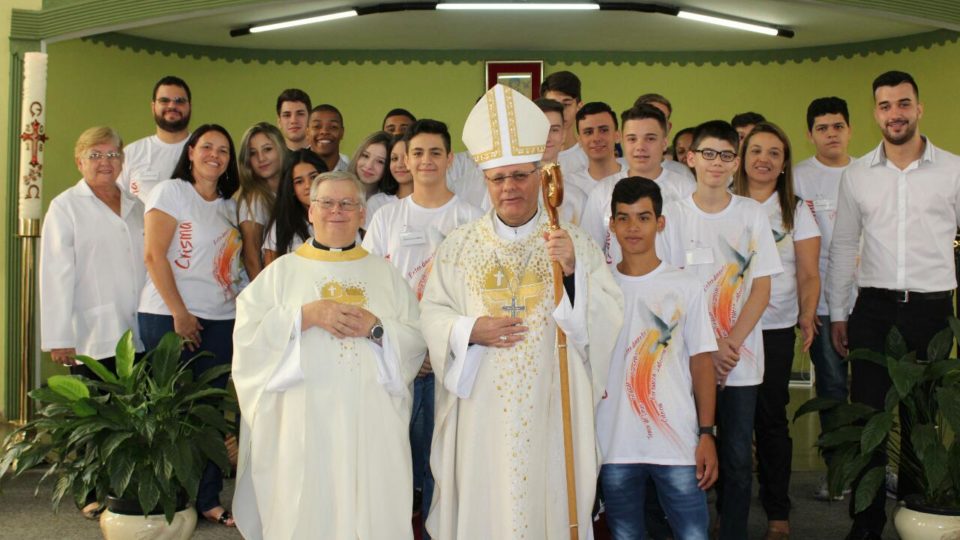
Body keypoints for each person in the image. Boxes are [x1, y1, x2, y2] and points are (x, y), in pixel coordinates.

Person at [421, 84, 623, 539]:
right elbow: (431, 315)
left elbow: (607, 316)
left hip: (550, 401)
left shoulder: (572, 241)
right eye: (499, 178)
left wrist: (572, 273)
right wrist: (470, 329)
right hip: (481, 411)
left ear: (542, 175)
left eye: (520, 175)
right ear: (485, 181)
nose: (509, 187)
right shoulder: (460, 246)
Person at [233, 172, 427, 540]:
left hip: (369, 422)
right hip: (301, 420)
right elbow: (248, 339)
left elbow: (417, 337)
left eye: (347, 204)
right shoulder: (281, 273)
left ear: (361, 214)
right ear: (311, 211)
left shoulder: (385, 274)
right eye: (327, 203)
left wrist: (377, 327)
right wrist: (302, 317)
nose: (336, 211)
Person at [827, 71, 960, 540]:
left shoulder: (954, 170)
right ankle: (865, 526)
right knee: (869, 420)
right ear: (875, 113)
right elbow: (844, 246)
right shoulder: (857, 174)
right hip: (874, 311)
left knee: (922, 422)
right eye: (885, 106)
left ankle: (918, 518)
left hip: (932, 312)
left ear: (919, 108)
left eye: (903, 103)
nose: (895, 114)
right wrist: (839, 313)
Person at [657, 120, 782, 540]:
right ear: (690, 158)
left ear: (736, 162)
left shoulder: (751, 213)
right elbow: (666, 287)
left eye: (726, 155)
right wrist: (704, 349)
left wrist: (728, 344)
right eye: (708, 153)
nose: (717, 163)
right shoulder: (671, 216)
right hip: (687, 359)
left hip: (739, 360)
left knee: (735, 459)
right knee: (682, 453)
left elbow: (762, 286)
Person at [363, 118, 482, 533]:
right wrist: (409, 345)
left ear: (450, 159)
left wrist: (438, 344)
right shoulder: (386, 219)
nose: (426, 160)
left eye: (435, 152)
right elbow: (371, 286)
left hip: (450, 358)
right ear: (405, 161)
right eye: (417, 153)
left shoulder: (472, 218)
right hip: (396, 356)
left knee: (441, 459)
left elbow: (477, 292)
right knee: (394, 455)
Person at [597, 177, 718, 540]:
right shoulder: (598, 286)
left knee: (694, 534)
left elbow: (702, 362)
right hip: (613, 441)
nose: (633, 227)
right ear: (612, 224)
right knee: (625, 535)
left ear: (660, 223)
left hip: (677, 441)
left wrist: (707, 433)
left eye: (643, 217)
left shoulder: (686, 285)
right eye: (624, 218)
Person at [138, 123, 246, 527]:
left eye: (223, 149)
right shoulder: (170, 193)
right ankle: (169, 497)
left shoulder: (229, 206)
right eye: (207, 147)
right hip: (168, 315)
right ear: (190, 153)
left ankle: (207, 497)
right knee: (168, 410)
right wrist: (180, 312)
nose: (215, 155)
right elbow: (154, 255)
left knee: (210, 413)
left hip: (220, 318)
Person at [733, 122, 821, 540]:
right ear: (742, 157)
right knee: (728, 423)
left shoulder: (797, 210)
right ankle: (726, 509)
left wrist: (807, 315)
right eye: (756, 151)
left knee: (770, 422)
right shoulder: (725, 203)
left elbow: (807, 272)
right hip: (726, 332)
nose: (764, 160)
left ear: (785, 164)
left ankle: (777, 514)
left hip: (774, 329)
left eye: (774, 153)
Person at [792, 96, 855, 501]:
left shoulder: (867, 173)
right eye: (822, 128)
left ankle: (871, 469)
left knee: (872, 390)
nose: (831, 134)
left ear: (849, 129)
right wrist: (808, 309)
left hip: (869, 303)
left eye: (837, 126)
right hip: (823, 303)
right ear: (811, 134)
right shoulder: (798, 179)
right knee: (832, 389)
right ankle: (839, 473)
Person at [582, 105, 696, 267]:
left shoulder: (686, 189)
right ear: (621, 140)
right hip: (617, 289)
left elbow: (697, 245)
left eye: (650, 138)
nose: (640, 147)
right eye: (632, 138)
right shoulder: (603, 190)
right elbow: (588, 250)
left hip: (673, 289)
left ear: (664, 143)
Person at [117, 75, 192, 203]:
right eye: (164, 100)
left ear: (189, 106)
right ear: (153, 107)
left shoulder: (206, 152)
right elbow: (116, 201)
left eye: (179, 101)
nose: (172, 106)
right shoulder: (131, 153)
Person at [237, 122, 288, 280]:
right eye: (253, 153)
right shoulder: (254, 200)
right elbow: (251, 257)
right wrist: (264, 299)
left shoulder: (290, 191)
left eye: (267, 149)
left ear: (281, 149)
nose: (261, 158)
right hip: (263, 288)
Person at [263, 149, 328, 266]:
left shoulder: (342, 216)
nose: (308, 185)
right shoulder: (281, 224)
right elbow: (270, 275)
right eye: (299, 181)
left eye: (313, 177)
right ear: (291, 189)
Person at [563, 101, 625, 196]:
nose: (596, 138)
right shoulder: (568, 186)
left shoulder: (637, 176)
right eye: (588, 132)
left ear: (617, 135)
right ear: (579, 140)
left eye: (604, 130)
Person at [633, 93, 696, 182]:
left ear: (668, 127)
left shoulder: (682, 174)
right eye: (650, 116)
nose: (655, 123)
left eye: (661, 118)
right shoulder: (617, 168)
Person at [542, 70, 589, 174]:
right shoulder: (531, 159)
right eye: (553, 105)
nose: (560, 112)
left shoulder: (589, 157)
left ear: (579, 107)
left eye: (566, 104)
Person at [365, 134, 414, 226]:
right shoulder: (376, 203)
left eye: (407, 158)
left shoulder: (435, 202)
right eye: (394, 159)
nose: (400, 164)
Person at [346, 131, 393, 226]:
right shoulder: (338, 190)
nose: (369, 166)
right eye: (365, 156)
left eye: (380, 161)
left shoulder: (390, 203)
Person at [308, 104, 349, 172]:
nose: (324, 131)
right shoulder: (292, 172)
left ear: (342, 132)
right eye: (317, 126)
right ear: (307, 132)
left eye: (333, 127)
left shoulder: (351, 174)